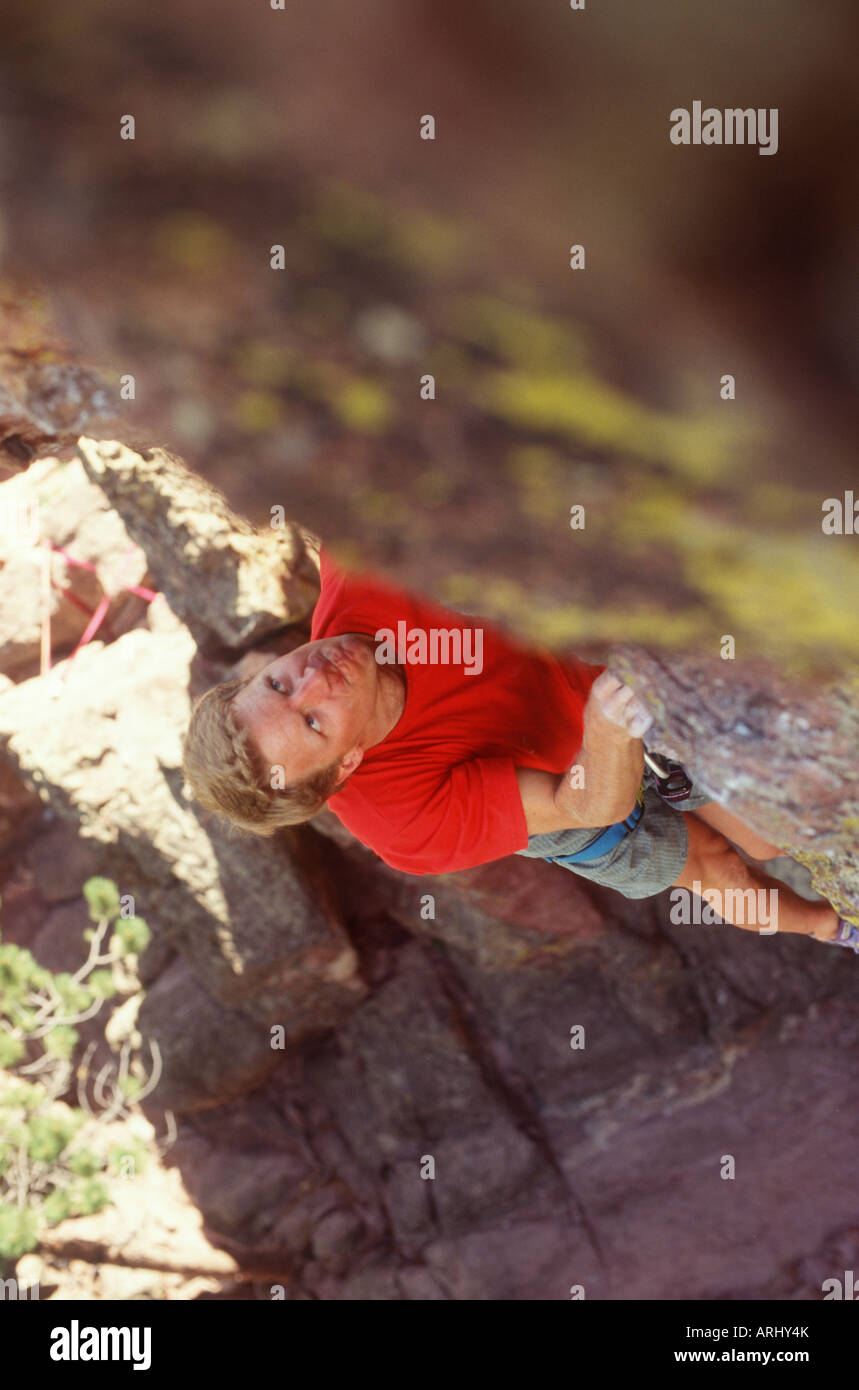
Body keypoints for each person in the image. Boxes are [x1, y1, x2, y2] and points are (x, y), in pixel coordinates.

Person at [182, 547, 857, 952]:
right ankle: (834, 929)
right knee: (719, 867)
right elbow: (586, 802)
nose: (314, 677)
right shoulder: (407, 822)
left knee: (766, 835)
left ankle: (676, 771)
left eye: (278, 681)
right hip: (554, 790)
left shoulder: (362, 567)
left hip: (591, 684)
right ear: (347, 764)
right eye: (312, 723)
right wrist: (609, 724)